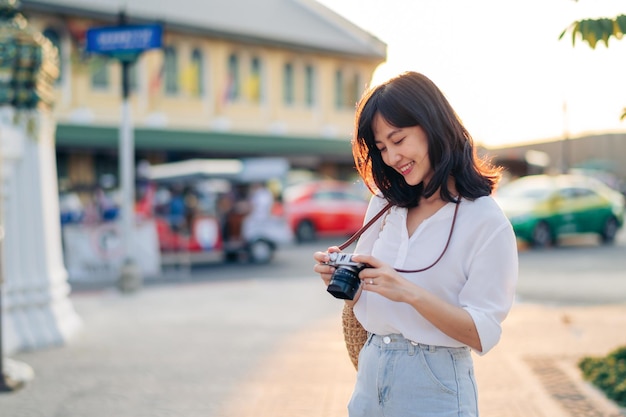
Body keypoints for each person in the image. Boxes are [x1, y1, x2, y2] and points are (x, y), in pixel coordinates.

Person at [313, 71, 518, 417]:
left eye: (398, 139)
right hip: (371, 372)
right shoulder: (385, 203)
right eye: (382, 148)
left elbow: (483, 333)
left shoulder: (485, 221)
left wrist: (408, 291)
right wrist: (344, 278)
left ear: (432, 126)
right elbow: (372, 296)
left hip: (435, 381)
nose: (392, 157)